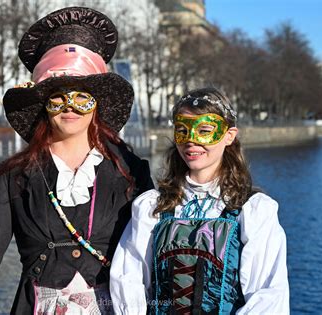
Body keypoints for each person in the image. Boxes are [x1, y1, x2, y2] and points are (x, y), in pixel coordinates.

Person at [0, 6, 153, 314]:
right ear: (43, 104)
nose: (70, 108)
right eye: (57, 98)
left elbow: (151, 252)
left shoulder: (131, 169)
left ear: (97, 105)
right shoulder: (15, 175)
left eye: (82, 97)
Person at [110, 87, 289, 314]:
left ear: (229, 136)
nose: (191, 141)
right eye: (183, 130)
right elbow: (128, 278)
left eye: (204, 130)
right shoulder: (152, 207)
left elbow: (268, 295)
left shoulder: (253, 211)